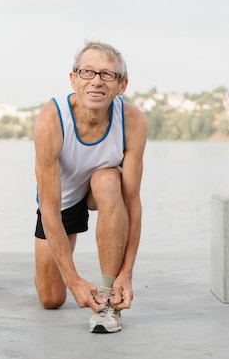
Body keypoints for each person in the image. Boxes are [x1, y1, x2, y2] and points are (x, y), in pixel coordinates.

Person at [33, 40, 148, 333]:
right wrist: (74, 281)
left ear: (121, 85)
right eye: (88, 72)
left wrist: (126, 273)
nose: (97, 81)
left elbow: (132, 201)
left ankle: (109, 300)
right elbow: (48, 208)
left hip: (102, 189)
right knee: (51, 299)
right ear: (74, 79)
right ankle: (47, 272)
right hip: (64, 198)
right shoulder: (51, 119)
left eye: (107, 74)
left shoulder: (133, 121)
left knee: (108, 181)